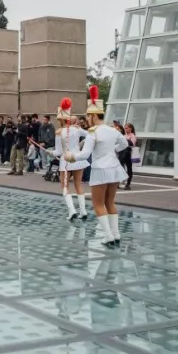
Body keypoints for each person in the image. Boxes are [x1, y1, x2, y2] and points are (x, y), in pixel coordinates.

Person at [64, 86, 127, 246]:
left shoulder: (93, 132)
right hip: (114, 169)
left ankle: (108, 235)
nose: (87, 119)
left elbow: (84, 154)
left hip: (100, 170)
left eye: (88, 116)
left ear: (93, 116)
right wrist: (113, 151)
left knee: (98, 204)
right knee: (110, 203)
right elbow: (125, 144)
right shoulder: (113, 130)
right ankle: (116, 234)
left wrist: (71, 157)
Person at [50, 98, 89, 221]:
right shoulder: (77, 129)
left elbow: (59, 152)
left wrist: (50, 152)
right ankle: (83, 211)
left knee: (65, 186)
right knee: (78, 185)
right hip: (78, 159)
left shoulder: (59, 131)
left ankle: (72, 211)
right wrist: (81, 145)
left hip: (66, 161)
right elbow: (90, 136)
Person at [121, 123, 137, 190]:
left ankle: (128, 184)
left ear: (131, 128)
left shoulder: (132, 136)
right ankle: (122, 181)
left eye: (127, 128)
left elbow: (132, 144)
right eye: (125, 128)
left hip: (128, 152)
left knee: (129, 168)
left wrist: (125, 141)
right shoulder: (124, 135)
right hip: (122, 151)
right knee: (121, 166)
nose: (125, 129)